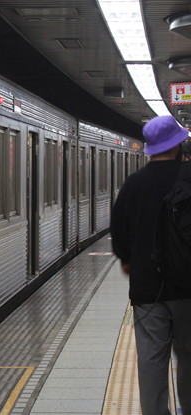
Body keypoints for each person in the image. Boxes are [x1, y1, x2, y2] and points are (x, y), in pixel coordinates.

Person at [110, 115, 191, 415]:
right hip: (188, 286)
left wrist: (128, 259)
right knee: (190, 357)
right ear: (179, 143)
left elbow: (118, 231)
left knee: (151, 360)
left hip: (147, 288)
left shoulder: (134, 184)